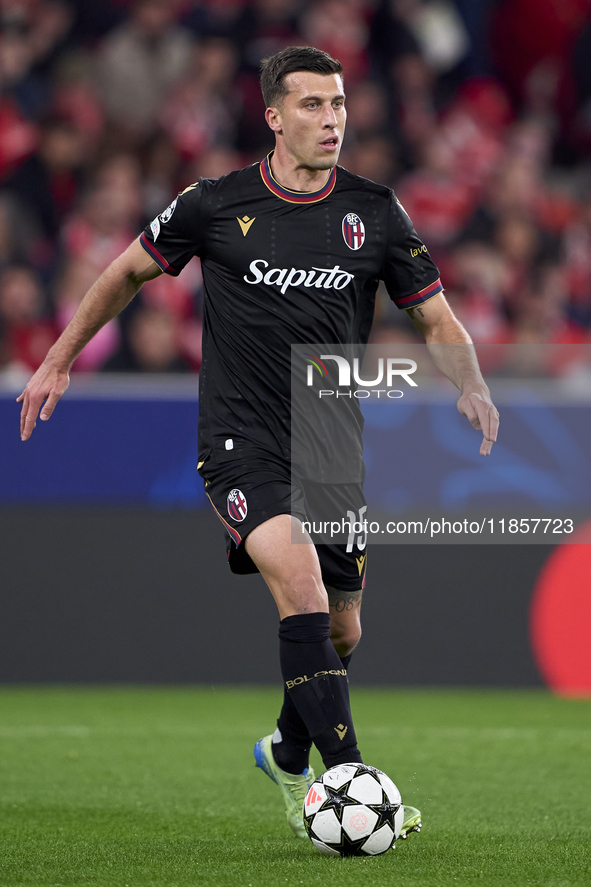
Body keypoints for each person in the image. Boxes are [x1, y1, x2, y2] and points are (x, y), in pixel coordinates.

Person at [17, 46, 499, 844]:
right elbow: (126, 272)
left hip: (330, 436)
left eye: (338, 104)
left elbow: (435, 315)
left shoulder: (375, 211)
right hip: (240, 436)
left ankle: (286, 749)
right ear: (274, 116)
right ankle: (354, 785)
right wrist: (59, 357)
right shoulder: (214, 203)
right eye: (311, 105)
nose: (331, 119)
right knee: (301, 587)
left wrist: (469, 381)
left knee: (341, 631)